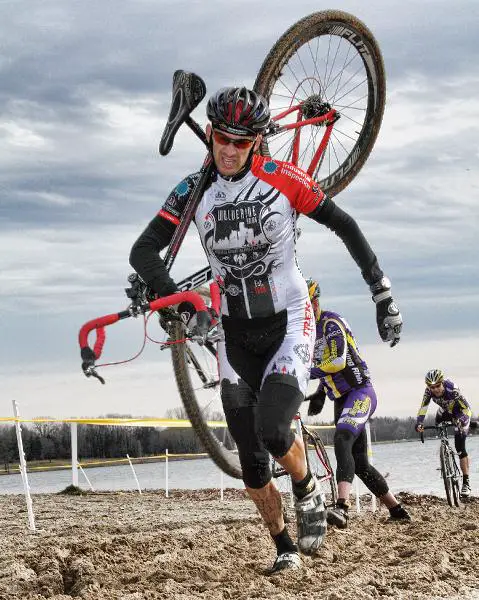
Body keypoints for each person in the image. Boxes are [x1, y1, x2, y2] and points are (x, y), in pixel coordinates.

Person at [129, 86, 403, 572]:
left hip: (288, 322)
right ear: (210, 134)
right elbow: (144, 250)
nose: (229, 150)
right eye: (221, 139)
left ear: (257, 141)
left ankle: (306, 486)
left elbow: (345, 224)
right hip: (232, 334)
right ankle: (283, 546)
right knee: (253, 468)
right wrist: (171, 295)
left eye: (242, 140)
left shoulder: (281, 178)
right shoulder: (192, 191)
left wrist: (381, 291)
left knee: (275, 431)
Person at [305, 278, 411, 528]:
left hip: (360, 392)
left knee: (342, 439)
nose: (304, 312)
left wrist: (305, 373)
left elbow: (338, 361)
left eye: (307, 305)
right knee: (360, 463)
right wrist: (321, 392)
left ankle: (342, 507)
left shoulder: (331, 323)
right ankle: (397, 510)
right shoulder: (306, 333)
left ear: (315, 301)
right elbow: (325, 365)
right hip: (340, 399)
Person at [415, 369, 473, 497]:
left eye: (437, 386)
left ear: (442, 383)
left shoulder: (452, 389)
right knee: (438, 420)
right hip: (445, 411)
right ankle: (445, 451)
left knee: (460, 448)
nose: (435, 389)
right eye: (432, 387)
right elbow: (423, 408)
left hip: (460, 413)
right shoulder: (428, 392)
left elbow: (467, 408)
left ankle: (466, 482)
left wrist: (462, 420)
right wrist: (419, 423)